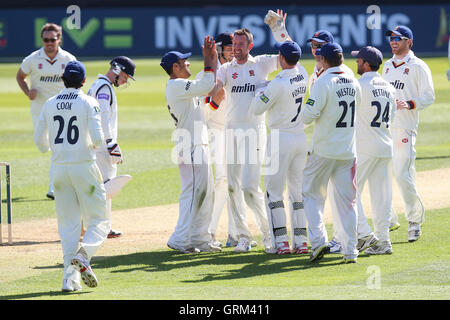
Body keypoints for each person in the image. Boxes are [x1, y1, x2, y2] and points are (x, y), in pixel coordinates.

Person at [34, 61, 109, 292]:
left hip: (58, 170)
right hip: (84, 167)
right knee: (100, 221)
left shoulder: (49, 103)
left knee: (68, 226)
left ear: (63, 79)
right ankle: (84, 255)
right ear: (84, 81)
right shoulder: (89, 102)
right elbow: (98, 140)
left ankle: (70, 280)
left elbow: (40, 143)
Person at [210, 28, 276, 253]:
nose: (236, 49)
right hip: (231, 133)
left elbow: (290, 55)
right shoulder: (226, 69)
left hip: (254, 132)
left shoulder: (261, 64)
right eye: (234, 45)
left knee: (249, 187)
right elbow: (215, 90)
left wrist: (281, 32)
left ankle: (269, 234)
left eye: (240, 45)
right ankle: (243, 236)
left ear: (250, 45)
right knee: (232, 186)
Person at [300, 43, 362, 263]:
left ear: (323, 61)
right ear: (342, 59)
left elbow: (308, 116)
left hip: (323, 151)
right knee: (348, 203)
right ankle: (351, 251)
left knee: (311, 195)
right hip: (347, 152)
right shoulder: (354, 82)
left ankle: (317, 243)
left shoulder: (323, 81)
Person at [161, 36, 222, 253]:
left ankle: (200, 239)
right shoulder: (177, 85)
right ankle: (179, 239)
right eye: (184, 62)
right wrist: (208, 59)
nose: (188, 64)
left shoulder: (184, 88)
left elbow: (203, 108)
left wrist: (213, 58)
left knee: (205, 193)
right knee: (193, 194)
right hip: (191, 147)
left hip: (198, 145)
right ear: (175, 67)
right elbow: (207, 84)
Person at [250, 41, 309, 254]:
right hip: (300, 137)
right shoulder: (303, 74)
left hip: (279, 139)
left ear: (282, 59)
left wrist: (261, 89)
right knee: (297, 193)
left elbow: (257, 108)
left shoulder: (278, 83)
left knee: (273, 192)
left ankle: (281, 242)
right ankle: (301, 242)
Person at [382, 26, 435, 242]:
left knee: (403, 175)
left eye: (398, 39)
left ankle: (414, 220)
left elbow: (429, 96)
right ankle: (388, 218)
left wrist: (410, 103)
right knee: (383, 175)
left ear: (409, 42)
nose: (393, 42)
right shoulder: (386, 66)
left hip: (405, 127)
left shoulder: (418, 67)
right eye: (391, 39)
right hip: (384, 128)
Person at [17, 23, 76, 200]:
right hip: (39, 109)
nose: (49, 43)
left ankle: (54, 188)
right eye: (46, 40)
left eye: (53, 39)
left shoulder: (68, 59)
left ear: (59, 40)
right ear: (42, 40)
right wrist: (28, 92)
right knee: (43, 146)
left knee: (57, 148)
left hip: (62, 109)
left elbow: (77, 80)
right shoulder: (33, 59)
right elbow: (20, 76)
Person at [351, 46, 397, 254]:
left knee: (349, 192)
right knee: (382, 197)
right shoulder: (389, 86)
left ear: (367, 64)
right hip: (386, 145)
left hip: (365, 147)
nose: (356, 63)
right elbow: (393, 117)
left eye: (359, 61)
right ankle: (384, 242)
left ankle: (365, 234)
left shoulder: (359, 85)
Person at [196, 33, 239, 248]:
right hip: (214, 131)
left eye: (236, 47)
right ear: (219, 49)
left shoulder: (239, 69)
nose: (233, 51)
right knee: (222, 180)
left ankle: (235, 234)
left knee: (236, 183)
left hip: (238, 131)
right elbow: (200, 114)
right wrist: (214, 102)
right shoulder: (206, 76)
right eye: (229, 47)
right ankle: (209, 232)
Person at [87, 56, 135, 239]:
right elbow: (103, 117)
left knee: (104, 186)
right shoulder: (104, 88)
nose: (125, 81)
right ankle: (97, 226)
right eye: (125, 77)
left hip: (99, 145)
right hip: (102, 147)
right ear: (116, 70)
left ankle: (104, 226)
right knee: (106, 187)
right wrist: (110, 143)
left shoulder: (100, 85)